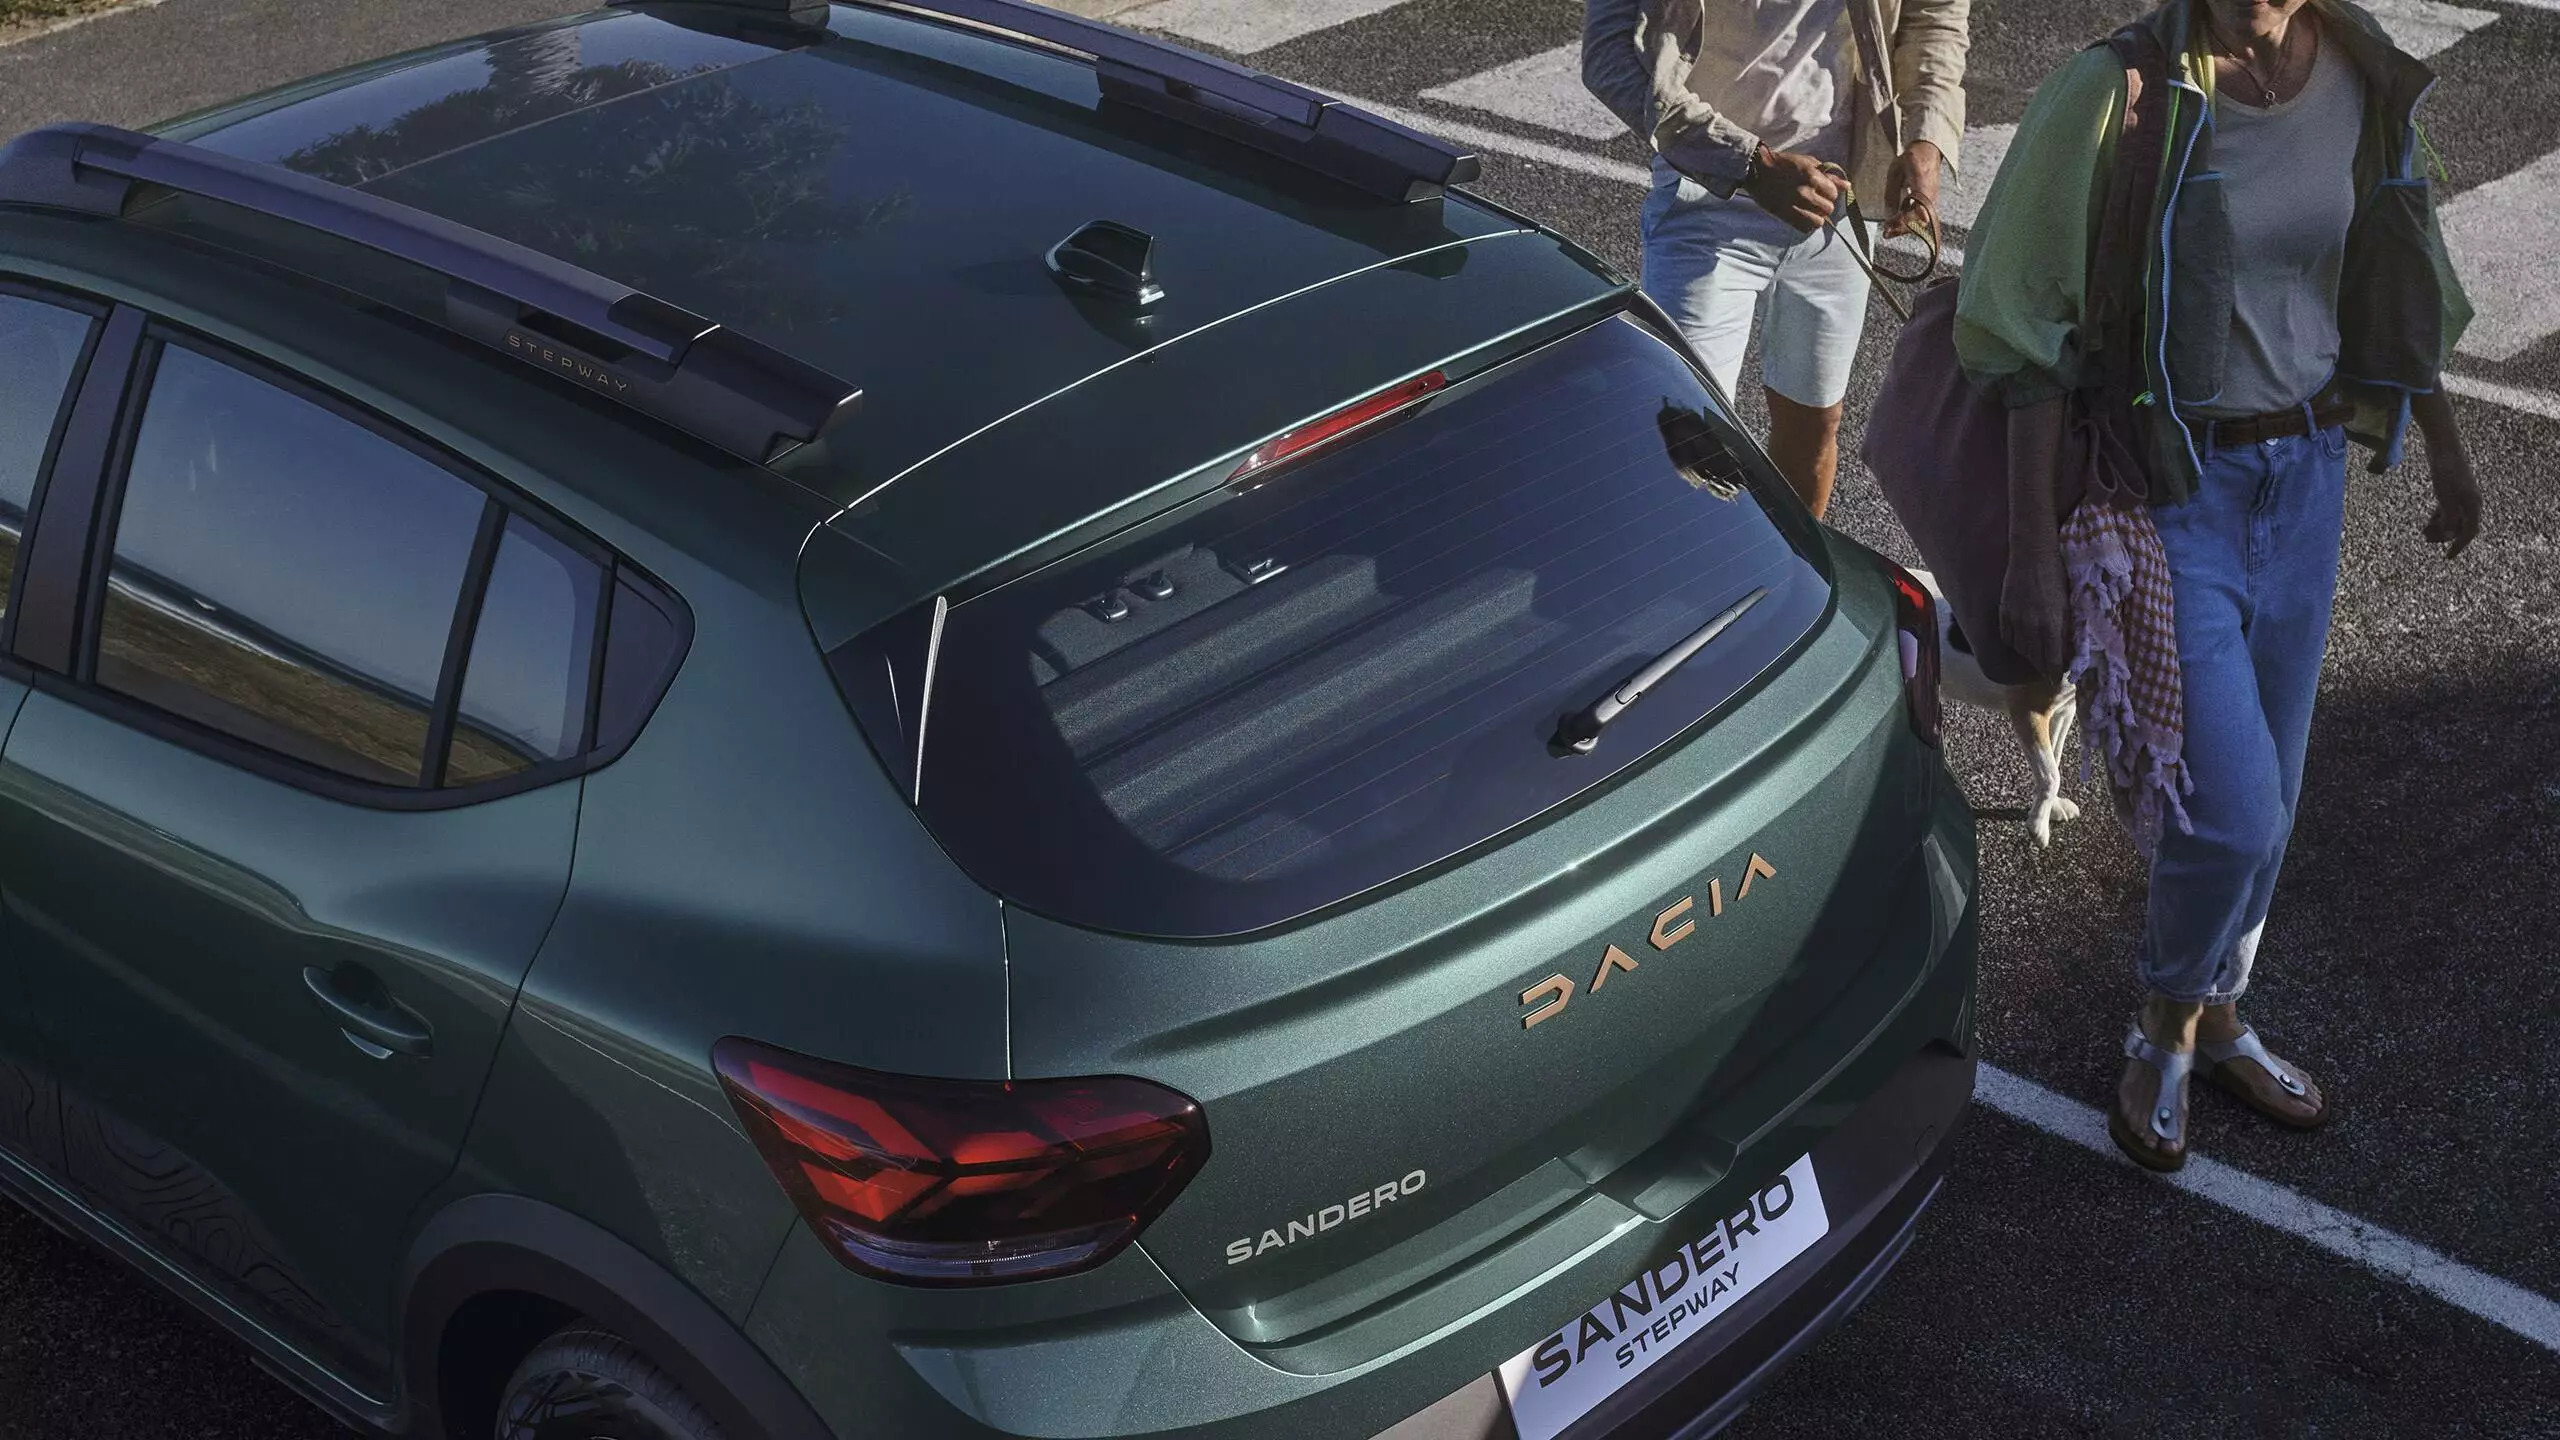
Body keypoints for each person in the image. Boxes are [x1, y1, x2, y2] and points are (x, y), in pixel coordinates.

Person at [1955, 0, 2483, 1170]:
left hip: (2305, 482)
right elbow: (2019, 325)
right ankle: (2161, 1026)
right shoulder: (2119, 87)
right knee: (2230, 808)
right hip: (2168, 490)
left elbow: (2398, 267)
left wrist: (2442, 444)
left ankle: (2221, 1010)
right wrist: (2034, 561)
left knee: (2276, 793)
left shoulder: (2358, 73)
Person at [1582, 0, 1970, 519]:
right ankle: (1690, 593)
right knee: (1687, 441)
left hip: (1836, 198)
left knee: (1814, 423)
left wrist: (1927, 138)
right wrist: (1749, 163)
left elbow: (1935, 13)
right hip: (1708, 203)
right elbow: (1607, 58)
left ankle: (1794, 586)